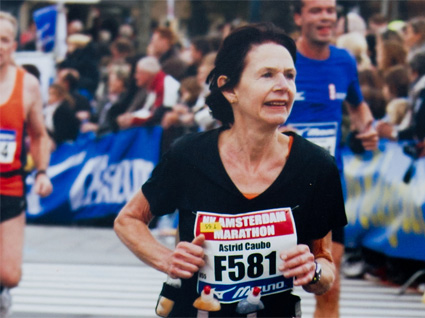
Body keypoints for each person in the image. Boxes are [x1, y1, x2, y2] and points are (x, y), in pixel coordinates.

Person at [114, 23, 345, 318]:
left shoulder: (316, 166)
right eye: (267, 75)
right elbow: (128, 220)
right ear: (229, 88)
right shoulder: (190, 155)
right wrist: (168, 259)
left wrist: (311, 270)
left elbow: (325, 269)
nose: (283, 86)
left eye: (290, 76)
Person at [288, 1, 378, 317]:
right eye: (316, 10)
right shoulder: (283, 58)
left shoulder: (344, 61)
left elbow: (357, 105)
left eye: (330, 11)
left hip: (326, 189)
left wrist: (367, 129)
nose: (326, 17)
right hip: (277, 188)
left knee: (328, 284)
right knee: (268, 290)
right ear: (298, 17)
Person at [0, 11, 53, 317]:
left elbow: (39, 135)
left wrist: (42, 172)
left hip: (10, 185)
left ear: (14, 44)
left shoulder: (27, 85)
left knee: (9, 275)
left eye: (4, 39)